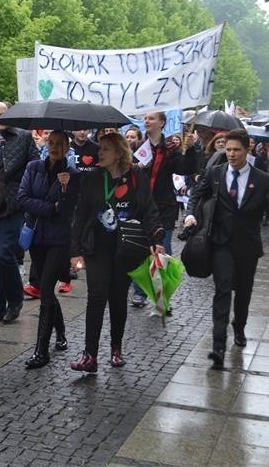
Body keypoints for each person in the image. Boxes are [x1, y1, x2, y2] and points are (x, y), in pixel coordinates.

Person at [184, 129, 269, 369]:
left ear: (247, 150)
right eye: (228, 149)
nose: (231, 154)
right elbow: (196, 196)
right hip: (220, 243)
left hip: (248, 245)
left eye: (236, 150)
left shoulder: (262, 179)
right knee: (222, 290)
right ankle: (218, 347)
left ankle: (239, 326)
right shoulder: (215, 174)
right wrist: (190, 215)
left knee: (243, 292)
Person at [69, 133, 164, 373]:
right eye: (100, 149)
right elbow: (80, 215)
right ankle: (89, 355)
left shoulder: (135, 176)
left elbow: (148, 209)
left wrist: (156, 237)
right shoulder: (92, 178)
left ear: (119, 153)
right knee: (96, 297)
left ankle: (116, 349)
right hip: (97, 248)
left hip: (126, 249)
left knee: (118, 299)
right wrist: (75, 250)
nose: (100, 153)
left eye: (106, 150)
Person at [17, 131, 80, 369]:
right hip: (36, 237)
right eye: (51, 143)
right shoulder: (34, 167)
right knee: (45, 288)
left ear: (67, 147)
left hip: (59, 240)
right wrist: (49, 207)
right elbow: (22, 198)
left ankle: (41, 350)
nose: (54, 147)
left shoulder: (72, 175)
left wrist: (64, 191)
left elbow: (67, 211)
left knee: (46, 289)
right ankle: (61, 331)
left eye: (59, 144)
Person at [131, 111, 196, 308]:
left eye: (151, 118)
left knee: (162, 250)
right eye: (145, 118)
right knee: (139, 249)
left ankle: (161, 293)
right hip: (141, 206)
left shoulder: (171, 148)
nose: (147, 121)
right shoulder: (136, 146)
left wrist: (190, 150)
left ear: (162, 123)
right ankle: (139, 291)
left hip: (163, 207)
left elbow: (184, 169)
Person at [0, 101, 38, 324]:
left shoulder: (23, 137)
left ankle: (15, 301)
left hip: (14, 206)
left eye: (2, 114)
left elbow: (36, 167)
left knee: (2, 254)